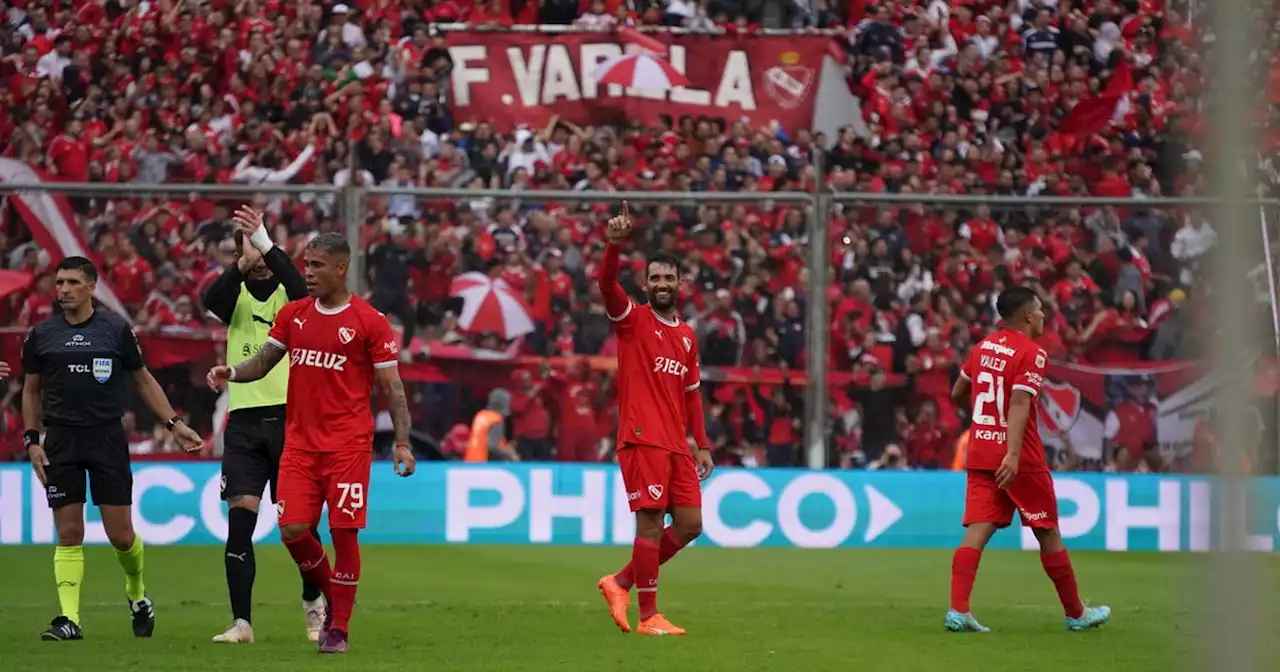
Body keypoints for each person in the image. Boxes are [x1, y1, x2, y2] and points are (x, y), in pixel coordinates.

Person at [205, 232, 416, 654]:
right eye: (307, 265)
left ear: (341, 268)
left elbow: (392, 388)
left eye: (317, 265)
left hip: (348, 447)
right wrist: (233, 372)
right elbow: (265, 360)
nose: (309, 273)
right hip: (299, 445)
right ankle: (337, 596)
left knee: (343, 534)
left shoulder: (369, 321)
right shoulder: (295, 314)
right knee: (294, 531)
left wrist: (402, 443)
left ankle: (337, 628)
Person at [21, 256, 204, 642]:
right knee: (68, 531)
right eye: (59, 283)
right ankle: (69, 619)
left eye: (72, 282)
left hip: (106, 437)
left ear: (91, 286)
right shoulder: (41, 335)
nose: (64, 290)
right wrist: (32, 439)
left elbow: (142, 380)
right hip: (61, 440)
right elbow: (32, 390)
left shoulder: (116, 330)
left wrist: (174, 424)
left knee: (120, 536)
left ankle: (137, 595)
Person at [945, 286, 1111, 632]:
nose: (1044, 316)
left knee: (976, 532)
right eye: (1040, 309)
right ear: (1027, 315)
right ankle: (1076, 614)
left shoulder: (982, 347)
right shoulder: (1032, 353)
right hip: (1020, 457)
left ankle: (958, 610)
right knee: (1048, 532)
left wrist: (982, 422)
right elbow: (1020, 403)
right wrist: (1013, 454)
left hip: (981, 450)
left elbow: (957, 393)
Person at [201, 206, 325, 644]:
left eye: (259, 245)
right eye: (246, 247)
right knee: (240, 522)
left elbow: (300, 290)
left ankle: (314, 602)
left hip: (292, 420)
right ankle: (242, 623)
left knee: (300, 528)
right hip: (245, 424)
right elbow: (210, 301)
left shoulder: (290, 297)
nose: (254, 254)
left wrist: (269, 247)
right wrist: (241, 263)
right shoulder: (232, 293)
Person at [593, 201, 715, 636]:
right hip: (642, 439)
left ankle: (621, 581)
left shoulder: (685, 336)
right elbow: (606, 282)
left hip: (677, 445)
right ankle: (648, 616)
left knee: (689, 524)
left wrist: (702, 444)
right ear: (645, 284)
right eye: (655, 279)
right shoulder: (632, 321)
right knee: (649, 521)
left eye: (668, 278)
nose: (661, 284)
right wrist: (614, 246)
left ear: (680, 284)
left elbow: (693, 395)